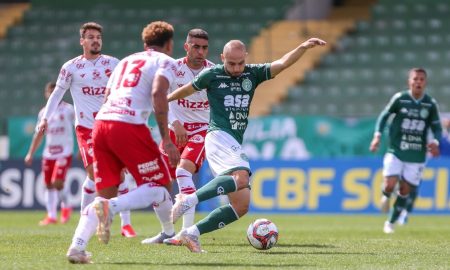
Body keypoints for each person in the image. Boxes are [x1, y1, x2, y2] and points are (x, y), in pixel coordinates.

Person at [168, 38, 326, 252]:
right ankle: (188, 200)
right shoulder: (212, 74)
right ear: (222, 58)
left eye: (240, 63)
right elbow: (186, 90)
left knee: (241, 205)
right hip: (217, 135)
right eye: (231, 63)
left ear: (246, 58)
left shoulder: (252, 74)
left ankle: (191, 233)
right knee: (241, 177)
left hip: (233, 139)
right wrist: (165, 101)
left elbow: (282, 63)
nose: (235, 68)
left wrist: (302, 47)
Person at [65, 20, 180, 264]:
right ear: (169, 44)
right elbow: (159, 94)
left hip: (101, 125)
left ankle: (77, 247)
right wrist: (166, 140)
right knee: (160, 185)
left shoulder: (126, 60)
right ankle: (115, 210)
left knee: (104, 194)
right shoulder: (165, 61)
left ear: (145, 42)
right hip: (127, 125)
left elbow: (107, 95)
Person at [36, 22, 136, 238]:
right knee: (95, 173)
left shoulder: (113, 64)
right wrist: (45, 118)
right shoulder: (71, 67)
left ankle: (125, 225)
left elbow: (126, 93)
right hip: (86, 129)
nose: (95, 40)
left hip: (112, 125)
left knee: (118, 175)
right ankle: (86, 218)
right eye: (90, 37)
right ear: (82, 41)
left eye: (98, 37)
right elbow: (56, 95)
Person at [140, 28, 214, 245]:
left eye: (204, 48)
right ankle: (167, 232)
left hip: (202, 130)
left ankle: (186, 232)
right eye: (196, 47)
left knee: (183, 171)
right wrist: (175, 123)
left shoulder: (213, 72)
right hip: (174, 130)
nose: (200, 52)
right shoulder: (173, 68)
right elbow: (161, 99)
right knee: (158, 182)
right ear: (186, 46)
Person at [369, 68, 442, 234]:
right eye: (415, 79)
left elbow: (437, 127)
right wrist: (377, 136)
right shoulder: (400, 98)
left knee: (405, 190)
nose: (418, 82)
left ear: (425, 82)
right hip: (396, 149)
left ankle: (390, 222)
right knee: (390, 184)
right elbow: (383, 116)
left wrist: (435, 141)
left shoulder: (430, 104)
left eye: (421, 79)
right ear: (409, 81)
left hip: (416, 155)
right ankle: (386, 195)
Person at [25, 82, 75, 225]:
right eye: (50, 92)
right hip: (49, 153)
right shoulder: (43, 113)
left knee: (57, 182)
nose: (53, 95)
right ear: (46, 94)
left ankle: (66, 207)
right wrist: (30, 153)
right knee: (48, 185)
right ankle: (51, 216)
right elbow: (39, 135)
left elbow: (78, 126)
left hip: (64, 151)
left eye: (55, 91)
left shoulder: (68, 109)